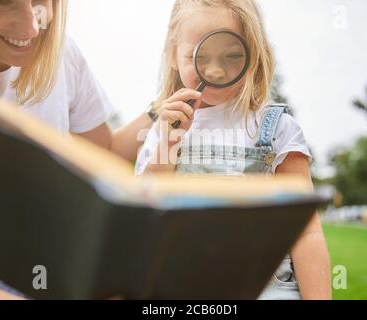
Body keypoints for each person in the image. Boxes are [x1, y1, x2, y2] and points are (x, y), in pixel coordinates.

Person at [135, 0, 332, 300]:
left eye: (232, 56)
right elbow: (142, 215)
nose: (214, 70)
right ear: (173, 55)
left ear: (253, 56)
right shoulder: (161, 130)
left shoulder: (277, 128)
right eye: (198, 56)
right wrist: (168, 143)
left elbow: (305, 231)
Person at [0, 0, 159, 299]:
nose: (32, 26)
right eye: (4, 2)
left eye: (40, 1)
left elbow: (101, 153)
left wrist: (161, 111)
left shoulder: (61, 55)